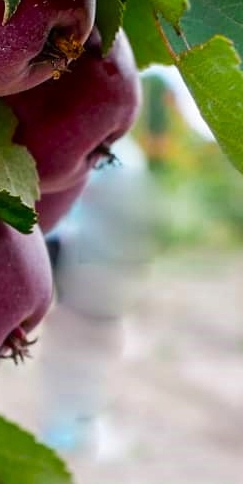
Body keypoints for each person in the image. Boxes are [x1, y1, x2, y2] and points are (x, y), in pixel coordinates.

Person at [39, 135, 155, 458]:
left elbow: (66, 208)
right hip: (108, 273)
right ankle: (73, 426)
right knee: (87, 355)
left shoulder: (104, 156)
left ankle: (69, 427)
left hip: (88, 271)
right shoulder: (131, 159)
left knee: (75, 353)